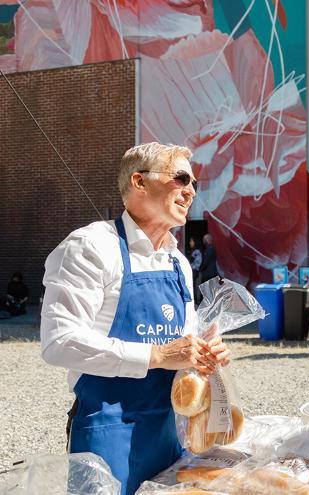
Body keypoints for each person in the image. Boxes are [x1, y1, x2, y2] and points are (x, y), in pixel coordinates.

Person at [40, 143, 231, 495]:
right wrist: (156, 355)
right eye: (181, 178)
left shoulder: (178, 262)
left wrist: (202, 355)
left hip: (170, 436)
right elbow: (59, 342)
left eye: (194, 183)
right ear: (139, 182)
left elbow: (181, 349)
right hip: (108, 437)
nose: (190, 191)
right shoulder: (91, 247)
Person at [186, 237, 203, 303]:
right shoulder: (194, 251)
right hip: (194, 270)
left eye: (191, 241)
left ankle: (195, 300)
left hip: (194, 270)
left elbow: (191, 260)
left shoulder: (196, 251)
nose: (190, 243)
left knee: (193, 285)